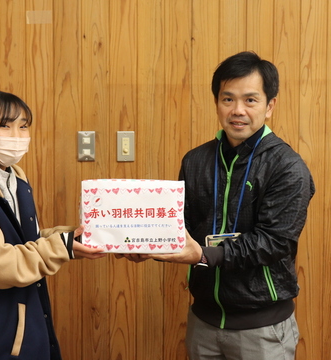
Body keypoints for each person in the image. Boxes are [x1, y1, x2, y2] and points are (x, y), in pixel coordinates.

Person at [121, 51, 315, 360]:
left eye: (250, 100)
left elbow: (274, 243)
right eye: (228, 99)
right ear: (216, 102)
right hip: (203, 323)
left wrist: (204, 254)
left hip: (262, 329)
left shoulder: (287, 167)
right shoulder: (196, 160)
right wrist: (145, 245)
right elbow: (180, 229)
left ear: (270, 106)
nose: (238, 110)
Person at [0, 91, 104, 360]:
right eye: (4, 125)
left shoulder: (13, 179)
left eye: (23, 127)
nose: (16, 136)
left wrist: (70, 239)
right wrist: (60, 247)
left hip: (22, 334)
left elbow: (24, 241)